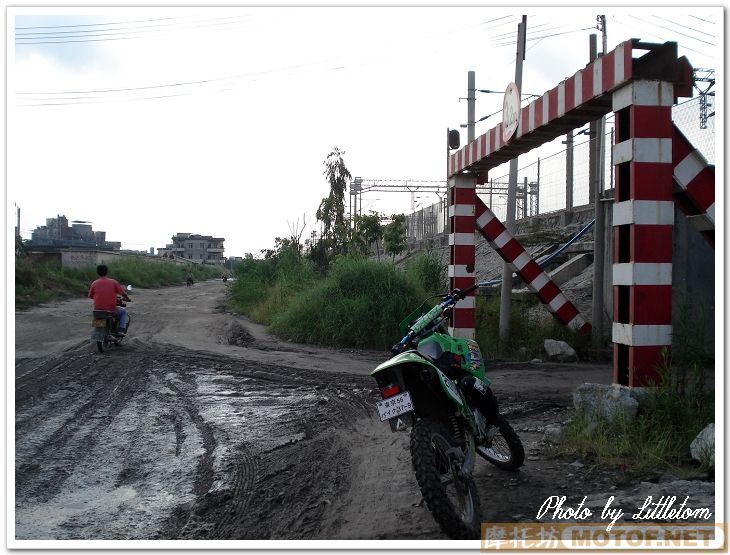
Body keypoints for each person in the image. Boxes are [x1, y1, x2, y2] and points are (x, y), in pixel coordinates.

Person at [88, 264, 131, 335]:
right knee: (123, 311)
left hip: (97, 310)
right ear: (107, 272)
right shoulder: (113, 282)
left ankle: (99, 333)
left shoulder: (94, 283)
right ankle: (120, 330)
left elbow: (90, 296)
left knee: (98, 320)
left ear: (97, 272)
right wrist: (128, 298)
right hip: (110, 309)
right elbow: (123, 294)